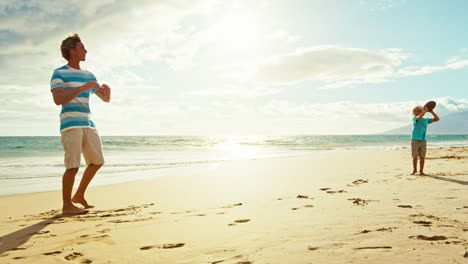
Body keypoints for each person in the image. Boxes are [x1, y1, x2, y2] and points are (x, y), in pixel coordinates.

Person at [50, 33, 111, 214]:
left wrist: (107, 93)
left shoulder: (89, 75)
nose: (86, 50)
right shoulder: (59, 73)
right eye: (82, 47)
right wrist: (81, 88)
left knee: (97, 161)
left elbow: (104, 98)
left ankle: (79, 196)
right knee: (73, 166)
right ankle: (67, 205)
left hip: (88, 123)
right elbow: (58, 99)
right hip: (70, 124)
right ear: (72, 50)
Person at [410, 105, 439, 175]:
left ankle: (421, 171)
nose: (417, 112)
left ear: (421, 111)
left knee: (422, 156)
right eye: (415, 111)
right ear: (413, 113)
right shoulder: (414, 118)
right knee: (415, 156)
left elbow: (437, 119)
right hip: (415, 140)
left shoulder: (426, 120)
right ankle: (414, 170)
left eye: (419, 111)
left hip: (423, 140)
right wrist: (425, 111)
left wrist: (431, 111)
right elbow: (419, 117)